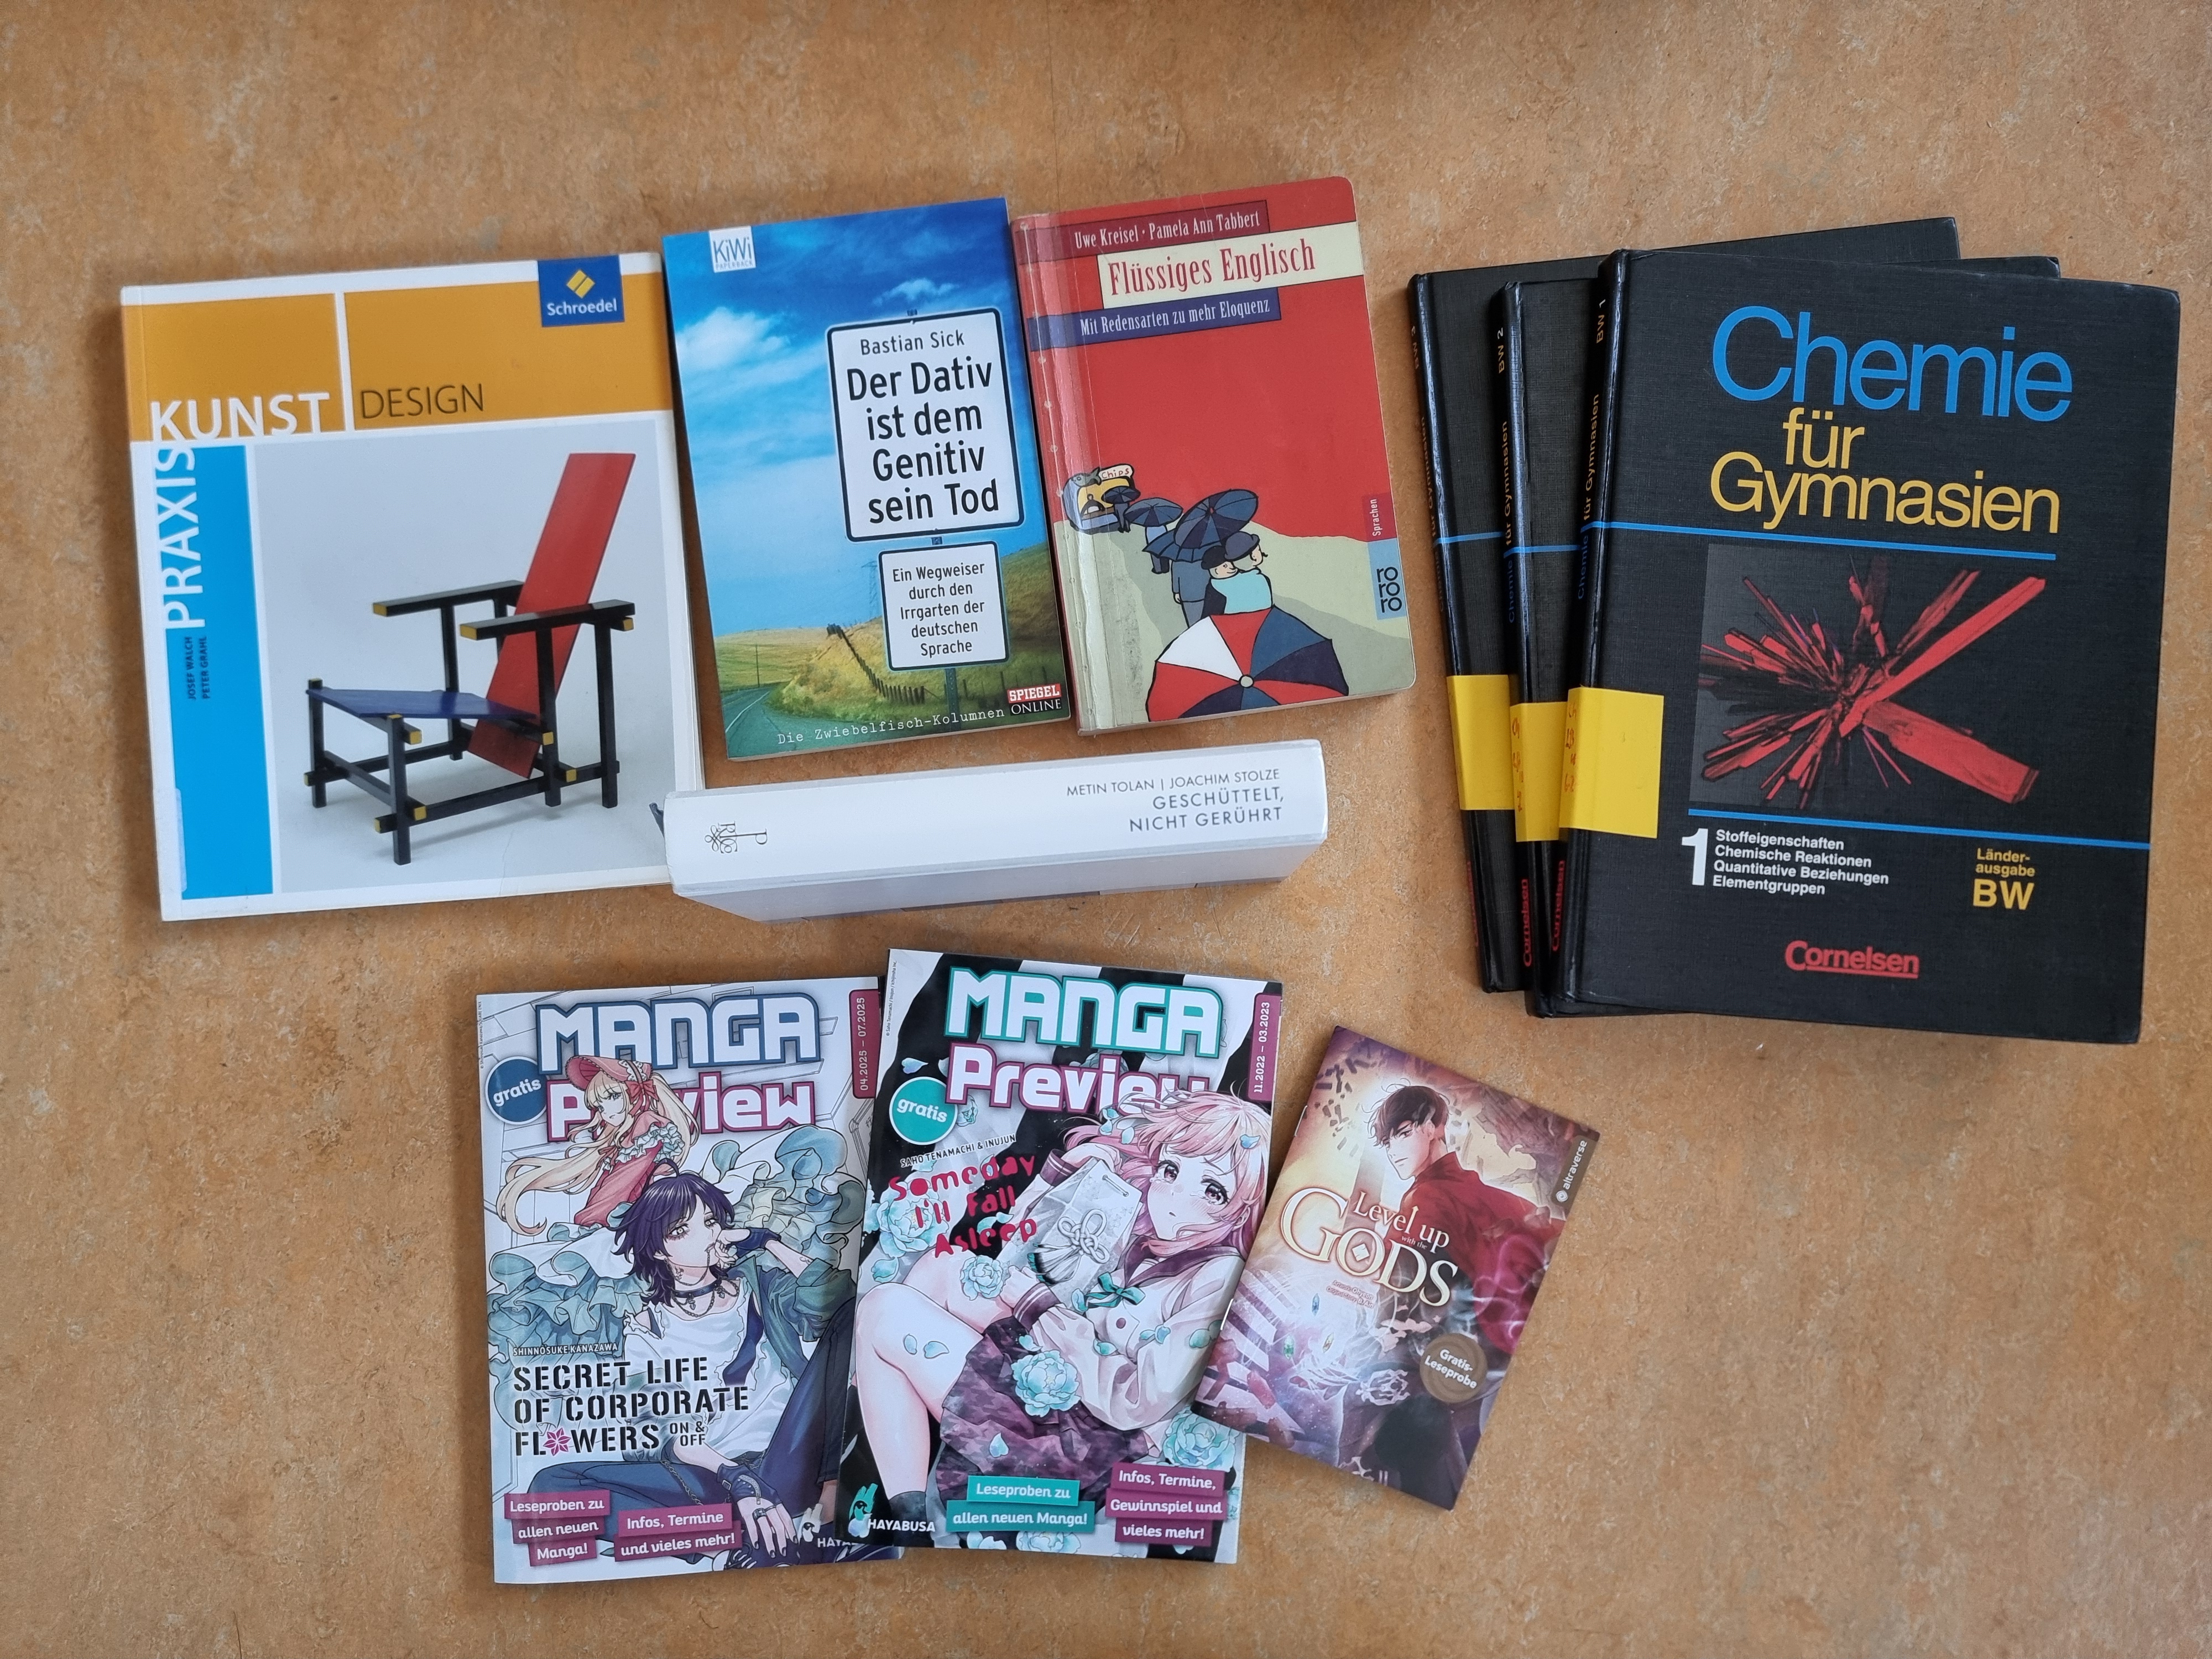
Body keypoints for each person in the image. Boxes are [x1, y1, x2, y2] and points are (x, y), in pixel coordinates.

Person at [851, 1090, 1269, 1530]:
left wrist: (1041, 1309)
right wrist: (1066, 1174)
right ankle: (899, 1461)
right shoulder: (1146, 1234)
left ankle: (906, 1507)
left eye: (1213, 1190)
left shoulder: (1220, 1277)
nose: (1176, 1195)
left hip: (1090, 1442)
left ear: (1242, 1211)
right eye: (1170, 1170)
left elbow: (1136, 1402)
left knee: (884, 1310)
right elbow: (1020, 1256)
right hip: (1063, 1379)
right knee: (943, 1267)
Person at [523, 1171, 881, 1566]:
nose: (707, 1235)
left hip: (792, 1453)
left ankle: (827, 1512)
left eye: (711, 1221)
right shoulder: (646, 1330)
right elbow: (662, 1431)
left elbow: (841, 1299)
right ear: (658, 1251)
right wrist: (736, 1477)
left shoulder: (759, 1287)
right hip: (715, 1475)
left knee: (851, 1314)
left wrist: (770, 1243)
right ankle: (733, 1545)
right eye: (681, 1230)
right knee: (552, 1487)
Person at [1374, 1084, 1562, 1355]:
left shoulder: (1424, 1198)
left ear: (1432, 1127)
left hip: (1491, 1340)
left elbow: (1392, 1285)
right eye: (1387, 1143)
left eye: (1403, 1134)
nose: (1393, 1151)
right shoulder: (1489, 1194)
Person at [494, 1056, 692, 1239]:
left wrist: (590, 1219)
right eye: (600, 1107)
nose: (607, 1112)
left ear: (636, 1094)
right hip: (616, 1221)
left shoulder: (647, 1125)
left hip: (623, 1222)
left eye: (613, 1096)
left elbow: (621, 1182)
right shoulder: (621, 1141)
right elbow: (608, 1184)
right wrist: (589, 1219)